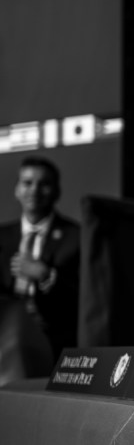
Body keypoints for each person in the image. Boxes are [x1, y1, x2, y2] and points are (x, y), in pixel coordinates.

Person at [0, 157, 80, 379]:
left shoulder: (77, 237)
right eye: (27, 183)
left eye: (43, 184)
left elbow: (87, 298)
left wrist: (46, 275)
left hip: (54, 341)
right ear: (17, 189)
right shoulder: (2, 237)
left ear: (56, 191)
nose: (34, 190)